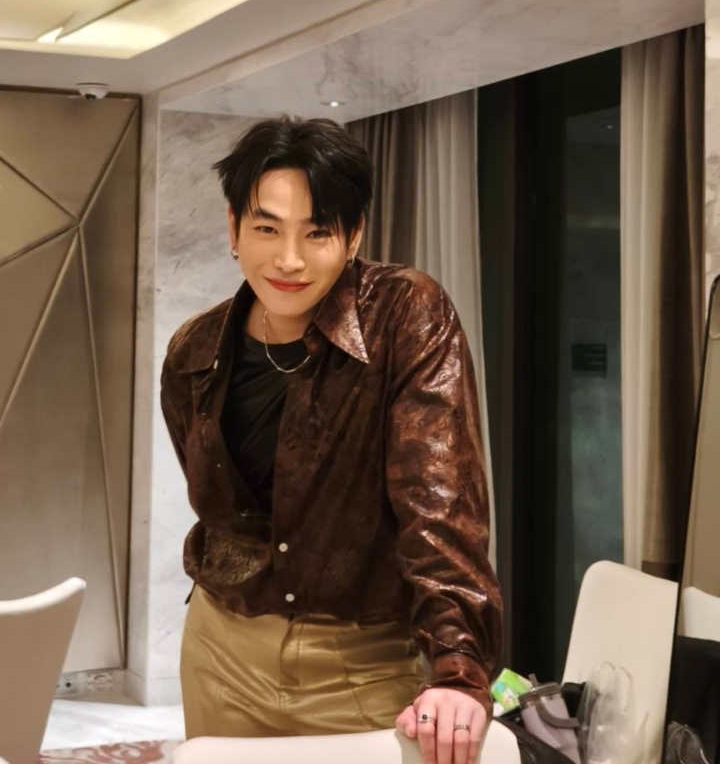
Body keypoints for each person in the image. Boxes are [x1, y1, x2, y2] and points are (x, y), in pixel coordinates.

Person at [160, 116, 502, 764]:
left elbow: (440, 502)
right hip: (221, 650)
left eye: (316, 232)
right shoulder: (195, 351)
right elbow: (221, 506)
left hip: (360, 660)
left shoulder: (405, 315)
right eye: (267, 229)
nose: (289, 260)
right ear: (233, 229)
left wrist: (458, 666)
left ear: (353, 235)